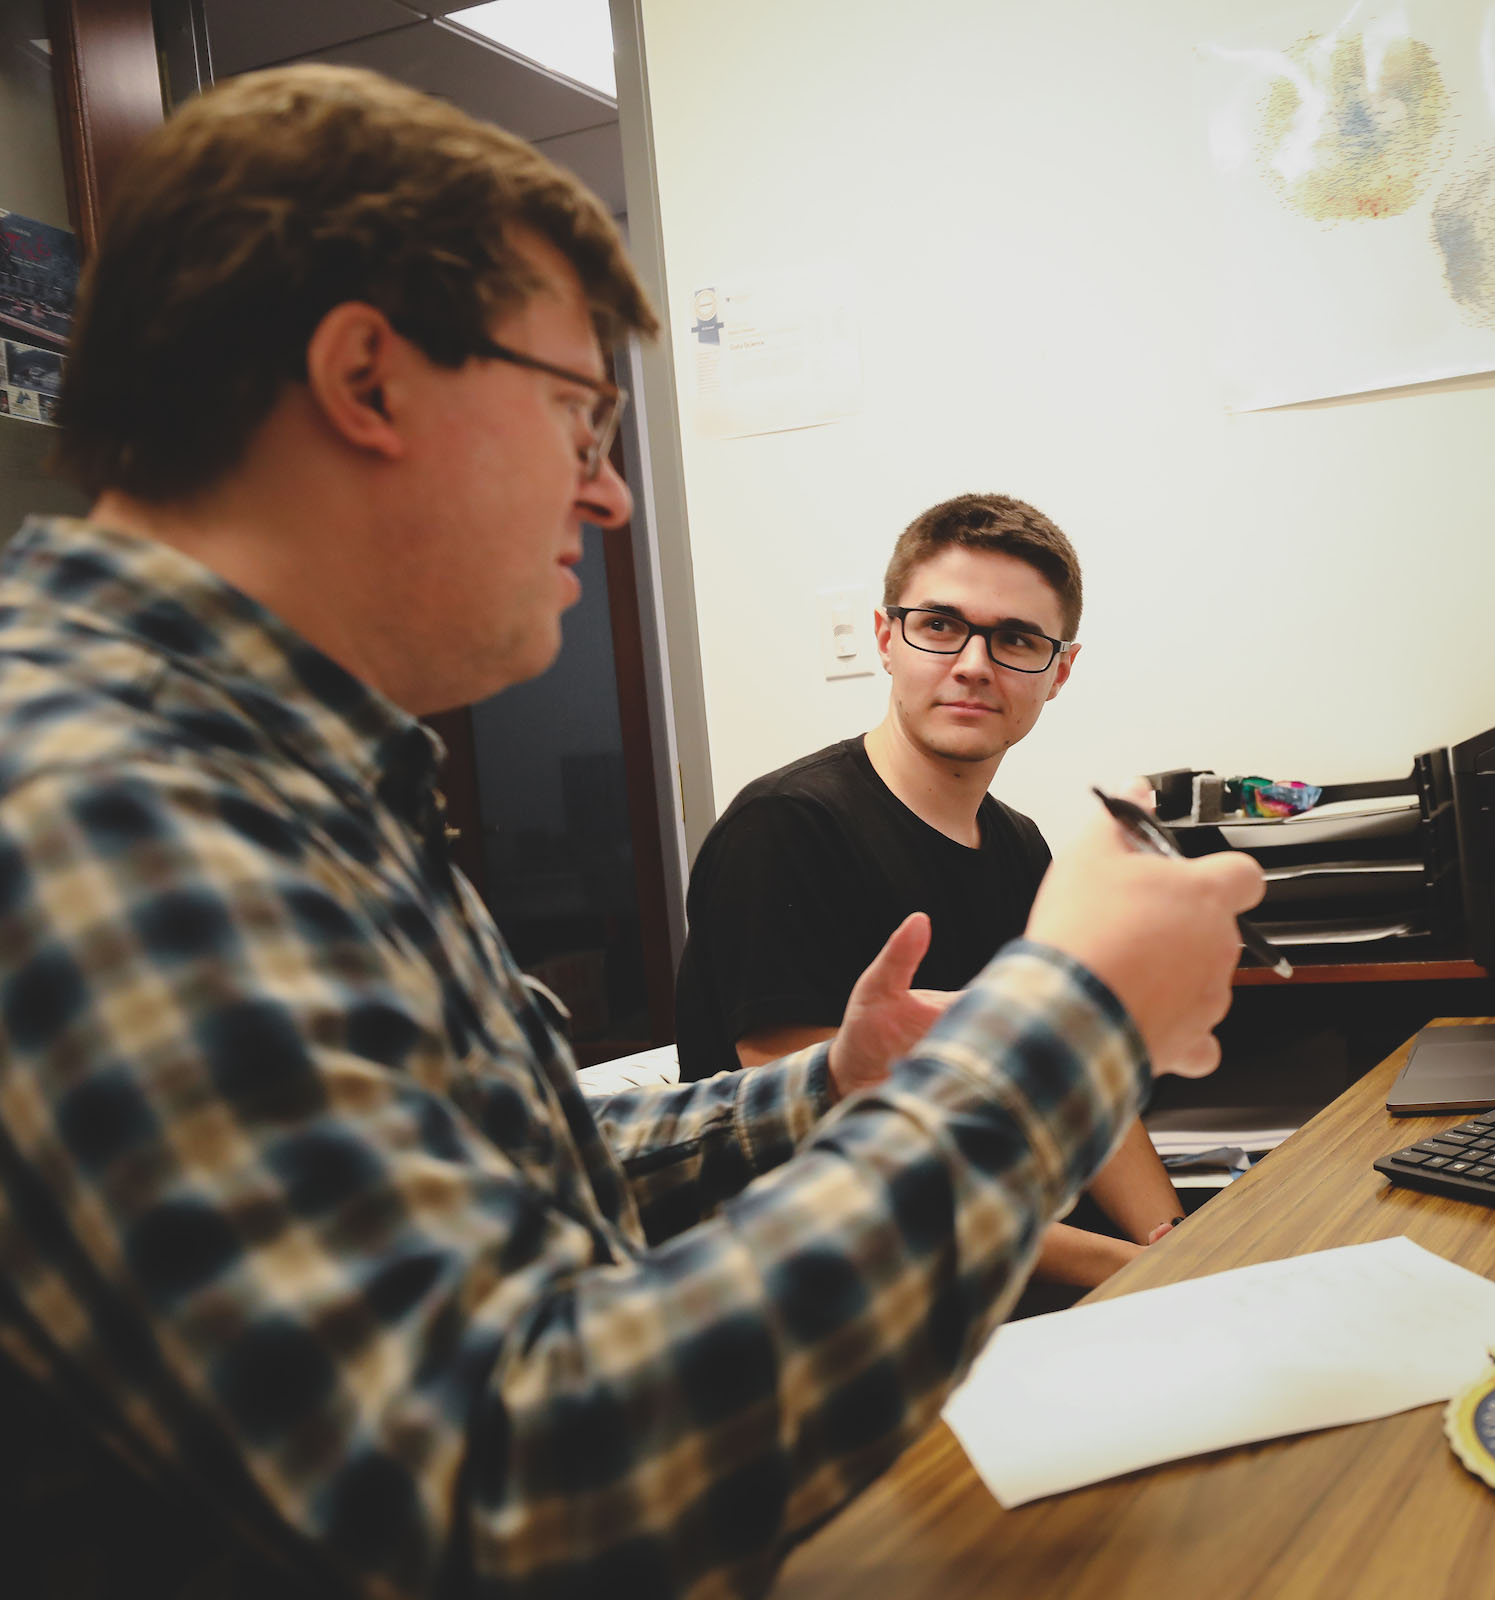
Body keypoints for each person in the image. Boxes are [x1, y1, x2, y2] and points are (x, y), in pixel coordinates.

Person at [0, 64, 1262, 1599]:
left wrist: (824, 1095)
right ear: (368, 380)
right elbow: (523, 1485)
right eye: (579, 415)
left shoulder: (278, 767)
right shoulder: (103, 801)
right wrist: (1069, 1031)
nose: (605, 496)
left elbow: (489, 1160)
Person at [676, 495, 1183, 1287]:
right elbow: (833, 1151)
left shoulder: (1019, 847)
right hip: (828, 1293)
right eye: (941, 626)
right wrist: (1120, 1268)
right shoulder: (785, 829)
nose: (975, 664)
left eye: (1017, 639)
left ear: (1060, 672)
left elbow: (1075, 1083)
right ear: (887, 638)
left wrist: (1175, 1243)